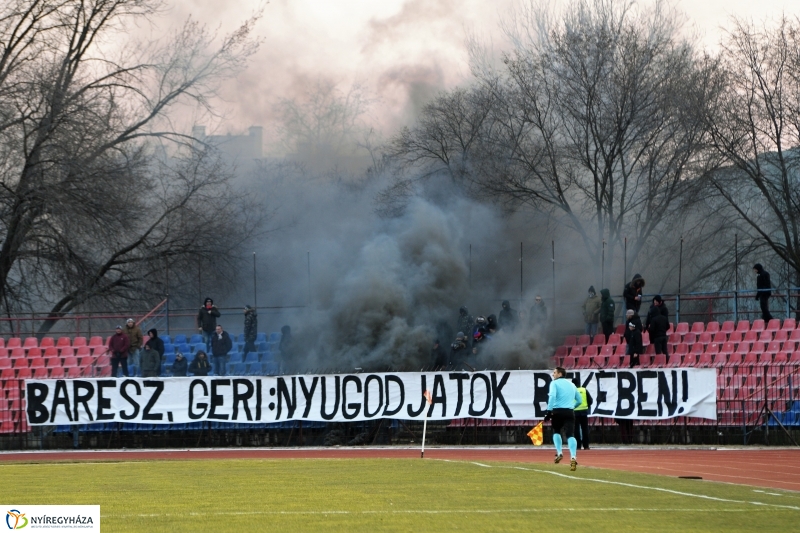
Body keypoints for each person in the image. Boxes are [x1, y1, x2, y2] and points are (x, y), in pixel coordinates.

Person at [545, 366, 582, 471]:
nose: (553, 374)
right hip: (569, 412)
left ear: (560, 374)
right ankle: (573, 457)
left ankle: (560, 453)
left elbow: (552, 396)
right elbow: (579, 400)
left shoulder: (554, 383)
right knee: (570, 434)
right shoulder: (572, 385)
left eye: (555, 372)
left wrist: (549, 411)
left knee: (556, 431)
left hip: (557, 411)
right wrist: (572, 407)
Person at [572, 378, 591, 450]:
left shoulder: (572, 391)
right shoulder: (584, 390)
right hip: (584, 412)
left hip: (575, 412)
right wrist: (587, 406)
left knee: (576, 429)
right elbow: (590, 400)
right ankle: (586, 446)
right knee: (585, 429)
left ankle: (578, 446)